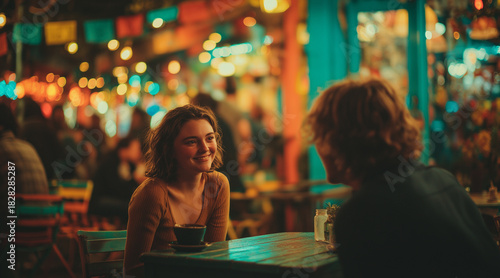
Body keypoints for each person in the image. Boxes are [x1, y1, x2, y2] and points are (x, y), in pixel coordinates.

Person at [305, 79, 500, 278]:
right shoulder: (443, 180)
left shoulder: (362, 213)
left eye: (320, 136)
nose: (317, 145)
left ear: (339, 141)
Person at [124, 105, 230, 277]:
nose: (204, 148)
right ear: (169, 149)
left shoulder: (218, 185)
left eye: (209, 138)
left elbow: (214, 258)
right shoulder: (152, 194)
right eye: (191, 142)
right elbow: (134, 271)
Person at [88, 136, 145, 228]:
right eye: (136, 148)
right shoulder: (110, 162)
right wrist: (135, 180)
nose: (139, 152)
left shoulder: (130, 165)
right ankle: (127, 234)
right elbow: (116, 189)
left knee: (137, 204)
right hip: (100, 200)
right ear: (123, 150)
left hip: (114, 198)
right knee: (130, 207)